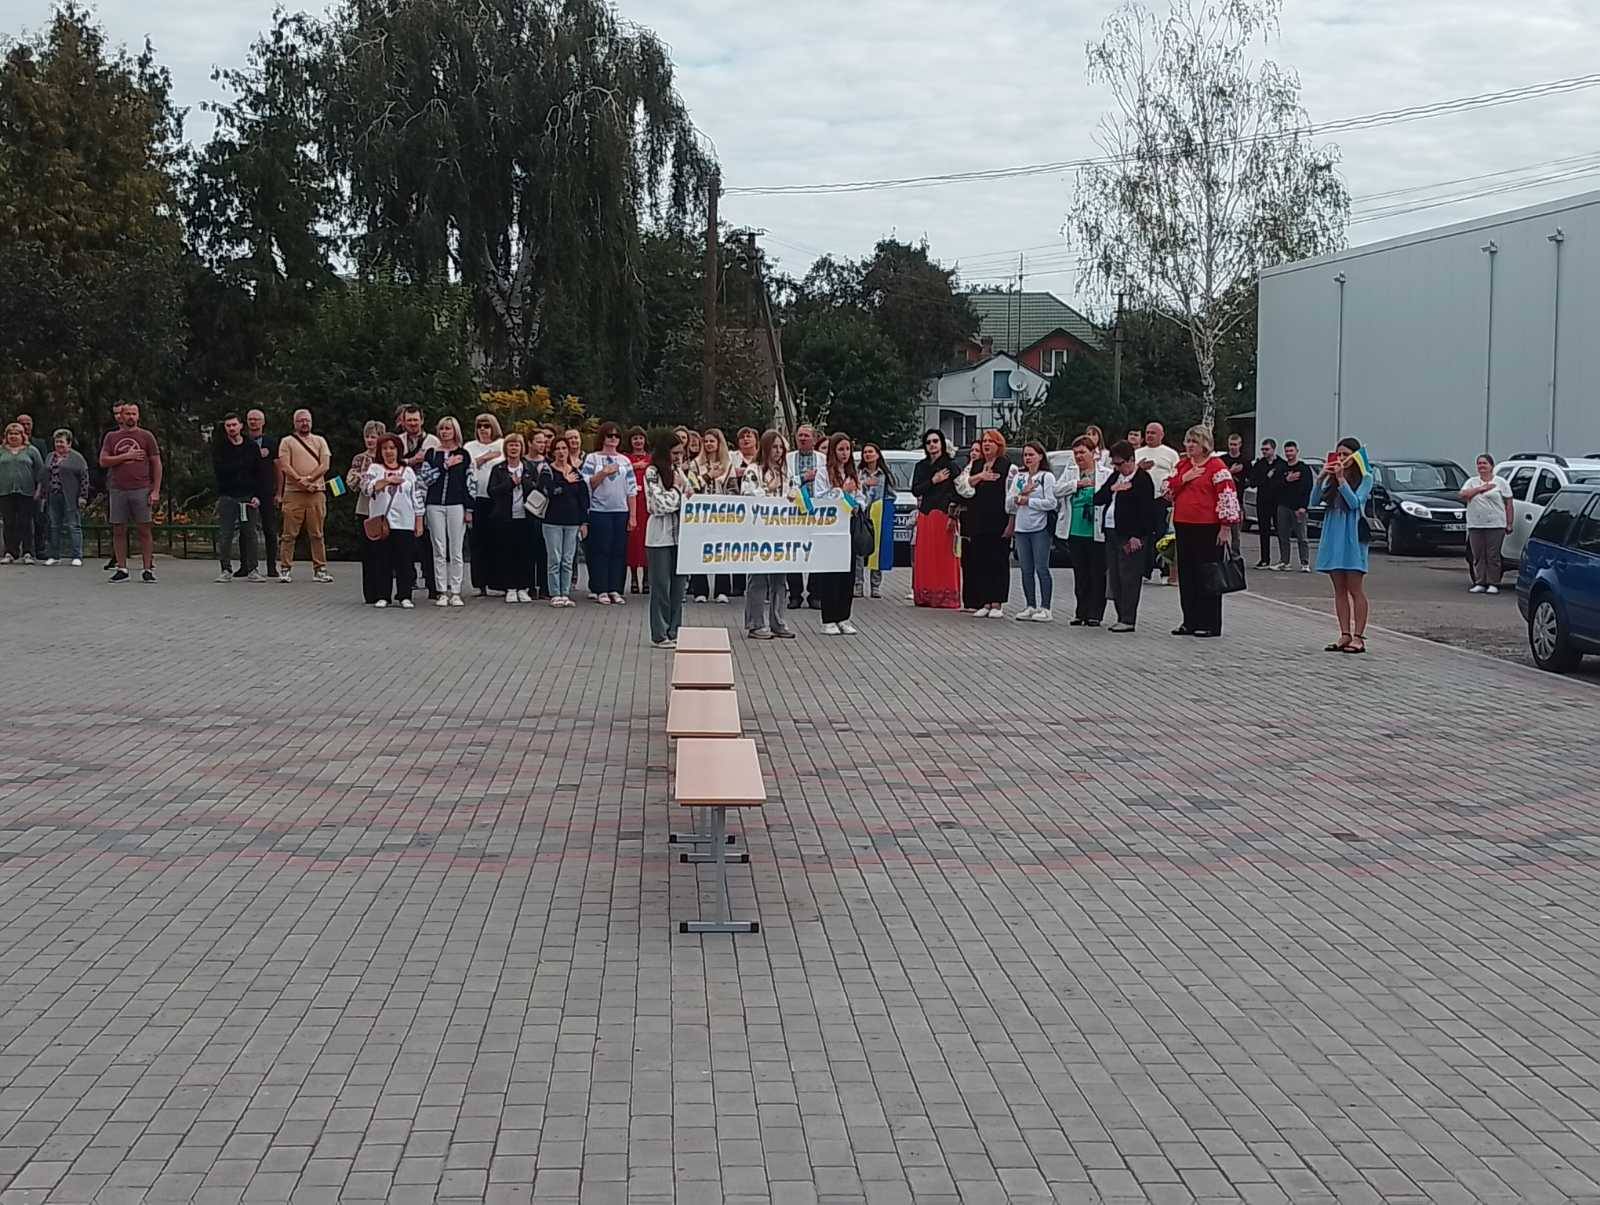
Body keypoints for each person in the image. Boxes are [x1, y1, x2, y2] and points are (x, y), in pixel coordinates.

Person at [1165, 425, 1240, 638]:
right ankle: (1189, 620)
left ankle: (1209, 622)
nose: (1189, 446)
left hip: (1208, 527)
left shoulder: (1217, 467)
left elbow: (1227, 497)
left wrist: (1225, 527)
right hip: (1183, 524)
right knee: (1187, 574)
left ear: (1204, 445)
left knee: (1207, 574)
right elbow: (1167, 490)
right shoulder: (1182, 466)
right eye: (1188, 441)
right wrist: (1184, 479)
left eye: (1194, 442)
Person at [1315, 438, 1377, 653]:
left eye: (1345, 454)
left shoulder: (1366, 478)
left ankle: (1358, 636)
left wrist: (1342, 479)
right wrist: (1321, 478)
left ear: (1355, 456)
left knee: (1355, 588)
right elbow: (1313, 501)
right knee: (1339, 589)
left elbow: (1354, 503)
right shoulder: (1332, 479)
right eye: (1338, 454)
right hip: (1333, 535)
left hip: (1352, 536)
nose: (1341, 458)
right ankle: (1344, 633)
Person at [1095, 440, 1157, 633]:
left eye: (1120, 463)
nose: (1117, 467)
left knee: (1129, 576)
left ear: (1131, 460)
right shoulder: (1115, 476)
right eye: (1114, 463)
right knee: (1114, 576)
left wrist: (1137, 535)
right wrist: (1112, 489)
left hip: (1130, 535)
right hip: (1111, 530)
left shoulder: (1142, 479)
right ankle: (1120, 615)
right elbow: (1098, 498)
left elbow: (1147, 511)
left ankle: (1128, 618)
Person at [742, 430, 797, 639]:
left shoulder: (786, 472)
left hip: (781, 532)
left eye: (781, 447)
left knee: (779, 580)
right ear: (765, 448)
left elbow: (794, 492)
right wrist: (767, 489)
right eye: (774, 447)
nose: (778, 451)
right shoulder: (753, 470)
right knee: (758, 579)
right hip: (759, 532)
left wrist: (795, 497)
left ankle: (778, 621)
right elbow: (747, 496)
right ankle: (755, 623)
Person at [98, 403, 161, 583]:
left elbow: (156, 463)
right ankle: (121, 568)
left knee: (144, 529)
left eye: (134, 413)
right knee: (118, 529)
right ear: (121, 416)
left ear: (138, 416)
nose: (131, 417)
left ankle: (147, 568)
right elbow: (103, 460)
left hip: (141, 488)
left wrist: (155, 490)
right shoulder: (111, 437)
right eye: (127, 414)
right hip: (118, 488)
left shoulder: (146, 436)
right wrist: (126, 456)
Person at [955, 430, 1014, 618]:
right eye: (984, 441)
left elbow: (1011, 493)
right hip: (978, 520)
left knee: (997, 561)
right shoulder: (977, 464)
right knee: (981, 561)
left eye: (991, 441)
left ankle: (997, 603)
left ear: (999, 445)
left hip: (998, 521)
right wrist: (980, 476)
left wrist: (1011, 522)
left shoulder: (1006, 465)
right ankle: (985, 601)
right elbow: (964, 487)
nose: (986, 444)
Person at [361, 434, 423, 608]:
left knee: (405, 561)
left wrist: (419, 520)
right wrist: (386, 481)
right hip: (383, 523)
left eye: (392, 448)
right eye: (385, 448)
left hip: (404, 522)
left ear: (398, 450)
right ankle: (383, 595)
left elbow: (416, 496)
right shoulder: (374, 468)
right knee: (382, 560)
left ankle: (405, 595)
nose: (389, 452)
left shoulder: (408, 471)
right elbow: (366, 488)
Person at [644, 431, 692, 648]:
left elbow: (691, 495)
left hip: (681, 536)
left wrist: (680, 493)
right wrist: (676, 490)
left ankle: (674, 630)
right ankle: (659, 632)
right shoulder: (652, 472)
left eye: (681, 453)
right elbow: (658, 505)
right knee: (661, 586)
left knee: (678, 587)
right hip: (659, 538)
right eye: (674, 453)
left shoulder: (680, 472)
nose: (678, 457)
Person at [580, 422, 637, 605]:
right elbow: (587, 485)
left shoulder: (624, 460)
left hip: (621, 511)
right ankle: (600, 589)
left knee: (618, 551)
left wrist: (633, 515)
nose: (613, 439)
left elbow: (632, 490)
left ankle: (615, 588)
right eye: (609, 436)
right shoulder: (592, 458)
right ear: (602, 437)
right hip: (599, 511)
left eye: (616, 436)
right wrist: (603, 473)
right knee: (600, 550)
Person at [275, 408, 333, 584]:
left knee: (317, 534)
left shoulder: (320, 441)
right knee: (289, 534)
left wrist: (309, 480)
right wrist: (301, 482)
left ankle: (320, 569)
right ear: (295, 423)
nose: (304, 423)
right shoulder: (286, 442)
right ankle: (285, 568)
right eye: (300, 420)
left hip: (316, 492)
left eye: (307, 420)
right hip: (293, 494)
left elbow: (325, 465)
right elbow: (285, 466)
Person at [812, 433, 861, 635]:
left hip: (848, 525)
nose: (844, 453)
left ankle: (844, 617)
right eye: (841, 449)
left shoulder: (852, 472)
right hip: (830, 527)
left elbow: (860, 496)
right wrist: (842, 491)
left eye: (847, 449)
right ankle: (829, 618)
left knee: (848, 574)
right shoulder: (824, 472)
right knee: (831, 574)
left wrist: (857, 503)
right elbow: (820, 498)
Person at [1058, 436, 1110, 626]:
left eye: (1082, 452)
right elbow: (1056, 490)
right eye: (1076, 453)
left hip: (1096, 530)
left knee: (1097, 572)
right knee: (1080, 573)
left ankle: (1095, 613)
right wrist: (1076, 485)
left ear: (1093, 453)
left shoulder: (1105, 473)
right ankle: (1081, 611)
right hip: (1075, 528)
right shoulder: (1071, 471)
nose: (1079, 456)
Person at [419, 417, 471, 607]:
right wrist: (445, 465)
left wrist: (469, 508)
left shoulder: (463, 454)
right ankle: (441, 590)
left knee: (456, 549)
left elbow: (470, 482)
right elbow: (425, 478)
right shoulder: (432, 453)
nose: (445, 432)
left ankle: (456, 590)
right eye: (442, 428)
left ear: (455, 431)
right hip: (434, 504)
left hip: (456, 504)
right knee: (439, 548)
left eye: (448, 428)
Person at [485, 432, 541, 603]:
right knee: (506, 553)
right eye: (511, 445)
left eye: (517, 445)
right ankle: (510, 588)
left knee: (525, 554)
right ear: (506, 448)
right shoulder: (498, 469)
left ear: (522, 448)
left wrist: (523, 482)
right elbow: (492, 491)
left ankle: (523, 587)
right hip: (504, 518)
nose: (514, 448)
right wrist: (510, 483)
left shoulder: (529, 468)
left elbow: (537, 489)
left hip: (526, 517)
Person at [1007, 441, 1058, 622]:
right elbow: (1009, 502)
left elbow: (1051, 502)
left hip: (1039, 528)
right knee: (1026, 569)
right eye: (1025, 455)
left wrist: (1029, 501)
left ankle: (1046, 607)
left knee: (1041, 567)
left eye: (1031, 454)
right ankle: (1030, 605)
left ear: (1040, 456)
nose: (1028, 458)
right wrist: (1022, 493)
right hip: (1022, 528)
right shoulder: (1019, 477)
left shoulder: (1046, 477)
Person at [910, 430, 962, 609]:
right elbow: (916, 490)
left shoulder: (951, 466)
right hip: (926, 514)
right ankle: (926, 595)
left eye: (935, 441)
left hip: (944, 514)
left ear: (941, 444)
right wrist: (933, 480)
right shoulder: (921, 466)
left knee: (944, 556)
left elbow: (959, 491)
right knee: (926, 556)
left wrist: (953, 515)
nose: (932, 445)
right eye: (929, 442)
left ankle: (945, 596)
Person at [211, 413, 263, 582]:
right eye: (228, 426)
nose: (231, 428)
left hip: (248, 496)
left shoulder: (251, 446)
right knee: (225, 534)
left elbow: (258, 473)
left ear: (241, 426)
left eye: (234, 425)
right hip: (228, 496)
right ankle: (225, 569)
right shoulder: (220, 447)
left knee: (250, 534)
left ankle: (253, 569)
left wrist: (257, 495)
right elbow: (219, 471)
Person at [539, 436, 589, 608]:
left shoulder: (576, 473)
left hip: (572, 521)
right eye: (558, 449)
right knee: (555, 558)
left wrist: (584, 522)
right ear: (553, 452)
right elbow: (549, 491)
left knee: (568, 559)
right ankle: (554, 593)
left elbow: (583, 498)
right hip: (552, 521)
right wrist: (565, 483)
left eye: (564, 448)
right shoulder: (547, 471)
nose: (561, 452)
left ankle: (565, 593)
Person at [689, 428, 736, 602]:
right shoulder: (695, 464)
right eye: (706, 441)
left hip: (721, 514)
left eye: (712, 441)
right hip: (700, 514)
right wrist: (708, 476)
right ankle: (700, 590)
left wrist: (724, 500)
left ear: (719, 443)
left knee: (721, 550)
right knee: (698, 549)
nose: (709, 444)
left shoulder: (727, 464)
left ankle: (722, 590)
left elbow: (733, 489)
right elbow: (691, 487)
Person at [1461, 454, 1514, 595]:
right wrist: (1481, 489)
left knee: (1492, 555)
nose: (1481, 466)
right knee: (1478, 554)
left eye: (1484, 463)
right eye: (1479, 463)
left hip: (1495, 524)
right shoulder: (1471, 482)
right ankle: (1480, 582)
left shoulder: (1501, 482)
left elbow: (1509, 504)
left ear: (1491, 466)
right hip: (1475, 524)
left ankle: (1493, 583)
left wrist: (1509, 523)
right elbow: (1463, 495)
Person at [465, 414, 505, 596]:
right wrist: (484, 458)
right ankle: (480, 584)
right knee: (478, 542)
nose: (483, 429)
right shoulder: (469, 447)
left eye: (487, 426)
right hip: (477, 499)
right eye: (480, 426)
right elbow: (468, 467)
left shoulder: (502, 444)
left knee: (498, 541)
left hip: (497, 499)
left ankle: (499, 582)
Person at [785, 425, 822, 609]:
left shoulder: (822, 459)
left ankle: (815, 594)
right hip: (794, 511)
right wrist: (804, 478)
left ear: (814, 439)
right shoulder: (788, 458)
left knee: (816, 551)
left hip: (817, 512)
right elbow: (786, 482)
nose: (803, 439)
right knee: (793, 552)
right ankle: (795, 594)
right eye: (800, 435)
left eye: (806, 436)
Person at [347, 421, 385, 604]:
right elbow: (351, 483)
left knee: (382, 552)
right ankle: (370, 593)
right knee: (368, 552)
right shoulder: (359, 458)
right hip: (364, 508)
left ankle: (383, 590)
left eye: (374, 437)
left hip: (383, 509)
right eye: (367, 437)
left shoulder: (386, 457)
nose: (370, 440)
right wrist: (358, 478)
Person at [1137, 422, 1180, 582]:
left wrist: (1170, 491)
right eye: (1147, 432)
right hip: (1143, 500)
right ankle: (1145, 571)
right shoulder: (1138, 453)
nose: (1149, 435)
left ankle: (1165, 571)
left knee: (1164, 535)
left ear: (1161, 435)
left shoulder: (1170, 454)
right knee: (1145, 535)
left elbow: (1176, 474)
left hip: (1162, 499)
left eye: (1153, 433)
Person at [41, 430, 88, 567]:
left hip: (70, 496)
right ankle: (54, 555)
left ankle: (77, 555)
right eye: (57, 442)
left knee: (73, 525)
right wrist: (43, 494)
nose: (59, 444)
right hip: (53, 495)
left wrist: (83, 496)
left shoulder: (77, 458)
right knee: (54, 525)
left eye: (62, 442)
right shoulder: (50, 456)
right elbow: (45, 475)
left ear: (69, 443)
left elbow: (84, 478)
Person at [854, 443, 895, 599]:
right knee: (859, 550)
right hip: (861, 514)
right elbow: (852, 490)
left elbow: (891, 494)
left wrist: (883, 507)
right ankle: (858, 585)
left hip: (878, 515)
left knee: (877, 550)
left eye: (870, 452)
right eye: (865, 452)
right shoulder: (858, 473)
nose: (867, 454)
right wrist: (864, 484)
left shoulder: (884, 474)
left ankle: (875, 586)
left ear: (877, 454)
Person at [0, 422, 44, 565]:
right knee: (9, 522)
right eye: (10, 434)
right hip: (5, 491)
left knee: (25, 522)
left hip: (26, 492)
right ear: (6, 436)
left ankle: (27, 552)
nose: (13, 436)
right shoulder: (1, 451)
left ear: (22, 435)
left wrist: (39, 490)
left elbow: (40, 471)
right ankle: (10, 552)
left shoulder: (31, 451)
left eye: (16, 434)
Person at [245, 410, 280, 577]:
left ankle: (272, 566)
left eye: (257, 419)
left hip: (266, 490)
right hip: (246, 490)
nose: (253, 422)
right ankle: (246, 566)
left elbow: (278, 468)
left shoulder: (271, 443)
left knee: (270, 529)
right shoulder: (242, 442)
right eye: (250, 419)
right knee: (246, 528)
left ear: (263, 422)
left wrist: (279, 492)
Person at [1273, 441, 1314, 571]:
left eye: (1291, 451)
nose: (1289, 454)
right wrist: (1287, 479)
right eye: (1287, 451)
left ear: (1297, 451)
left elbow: (1307, 488)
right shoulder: (1281, 468)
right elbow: (1275, 485)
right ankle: (1284, 562)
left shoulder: (1304, 468)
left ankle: (1305, 563)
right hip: (1283, 506)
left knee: (1302, 537)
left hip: (1298, 508)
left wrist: (1303, 507)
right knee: (1283, 535)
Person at [16, 414, 50, 559]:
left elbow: (44, 466)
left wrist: (42, 487)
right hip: (17, 487)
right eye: (22, 424)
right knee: (18, 519)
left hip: (36, 487)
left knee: (39, 518)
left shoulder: (39, 444)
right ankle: (18, 549)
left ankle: (40, 548)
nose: (25, 427)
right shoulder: (10, 445)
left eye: (28, 424)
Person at [1250, 439, 1284, 568]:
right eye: (1263, 449)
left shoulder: (1281, 464)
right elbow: (1253, 482)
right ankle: (1265, 559)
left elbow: (1284, 483)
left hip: (1278, 502)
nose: (1264, 452)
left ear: (1273, 449)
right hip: (1263, 501)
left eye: (1267, 449)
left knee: (1281, 530)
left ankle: (1283, 559)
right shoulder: (1259, 465)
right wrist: (1266, 477)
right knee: (1264, 531)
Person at [626, 426, 650, 594]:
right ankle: (634, 577)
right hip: (632, 503)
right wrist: (634, 466)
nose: (638, 441)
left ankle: (647, 578)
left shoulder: (651, 458)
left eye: (641, 438)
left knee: (647, 540)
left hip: (647, 504)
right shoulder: (626, 459)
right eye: (635, 438)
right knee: (633, 542)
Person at [1221, 433, 1252, 556]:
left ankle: (1235, 556)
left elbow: (1251, 480)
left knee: (1236, 533)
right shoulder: (1222, 460)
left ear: (1240, 445)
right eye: (1231, 444)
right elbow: (1218, 476)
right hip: (1223, 500)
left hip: (1237, 500)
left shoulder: (1245, 461)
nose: (1233, 447)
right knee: (1221, 532)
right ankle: (1221, 556)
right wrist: (1231, 472)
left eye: (1235, 444)